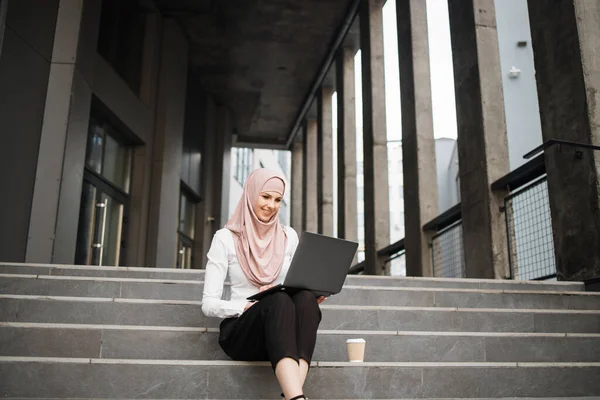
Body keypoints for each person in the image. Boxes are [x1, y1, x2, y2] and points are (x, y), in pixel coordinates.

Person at [201, 168, 326, 400]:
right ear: (251, 194)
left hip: (282, 330)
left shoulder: (289, 236)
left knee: (306, 299)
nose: (272, 205)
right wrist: (243, 308)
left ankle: (293, 396)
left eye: (278, 199)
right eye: (266, 196)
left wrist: (310, 292)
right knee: (276, 299)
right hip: (243, 331)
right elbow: (208, 304)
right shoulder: (225, 238)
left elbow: (294, 283)